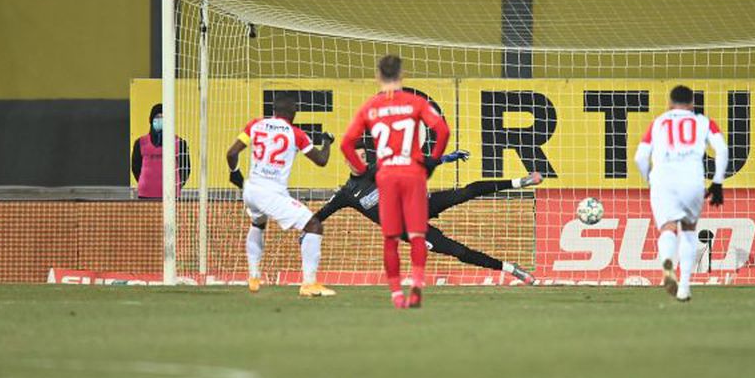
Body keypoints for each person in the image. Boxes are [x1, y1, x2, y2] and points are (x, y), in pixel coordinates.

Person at [312, 150, 541, 284]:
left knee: (465, 192)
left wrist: (446, 158)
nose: (360, 159)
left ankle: (520, 181)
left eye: (363, 155)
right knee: (458, 252)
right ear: (347, 161)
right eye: (355, 156)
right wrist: (307, 230)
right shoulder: (347, 194)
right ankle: (511, 269)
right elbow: (323, 213)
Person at [340, 55, 451, 309]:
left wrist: (361, 170)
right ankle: (417, 286)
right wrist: (431, 161)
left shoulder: (370, 107)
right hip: (413, 173)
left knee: (391, 239)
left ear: (378, 76)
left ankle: (396, 295)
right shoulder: (415, 102)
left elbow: (346, 144)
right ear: (402, 75)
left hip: (387, 175)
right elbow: (442, 130)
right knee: (417, 235)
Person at [226, 94, 336, 297]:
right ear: (293, 113)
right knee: (314, 225)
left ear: (274, 111)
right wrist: (327, 142)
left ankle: (253, 277)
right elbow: (321, 160)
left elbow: (231, 154)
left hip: (251, 189)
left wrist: (235, 173)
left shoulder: (255, 125)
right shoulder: (296, 134)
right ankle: (309, 284)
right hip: (270, 193)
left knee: (258, 223)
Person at [633, 85, 728, 302]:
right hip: (692, 180)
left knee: (667, 227)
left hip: (663, 179)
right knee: (688, 229)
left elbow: (639, 157)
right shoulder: (704, 122)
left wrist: (650, 179)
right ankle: (684, 287)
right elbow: (721, 149)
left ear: (670, 102)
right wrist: (717, 183)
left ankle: (667, 262)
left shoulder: (658, 122)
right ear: (692, 103)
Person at [131, 103, 190, 199]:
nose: (160, 120)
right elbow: (135, 167)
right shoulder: (140, 143)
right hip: (145, 195)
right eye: (157, 117)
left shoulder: (179, 142)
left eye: (163, 117)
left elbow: (185, 168)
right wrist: (145, 182)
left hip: (171, 195)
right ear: (151, 120)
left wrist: (177, 184)